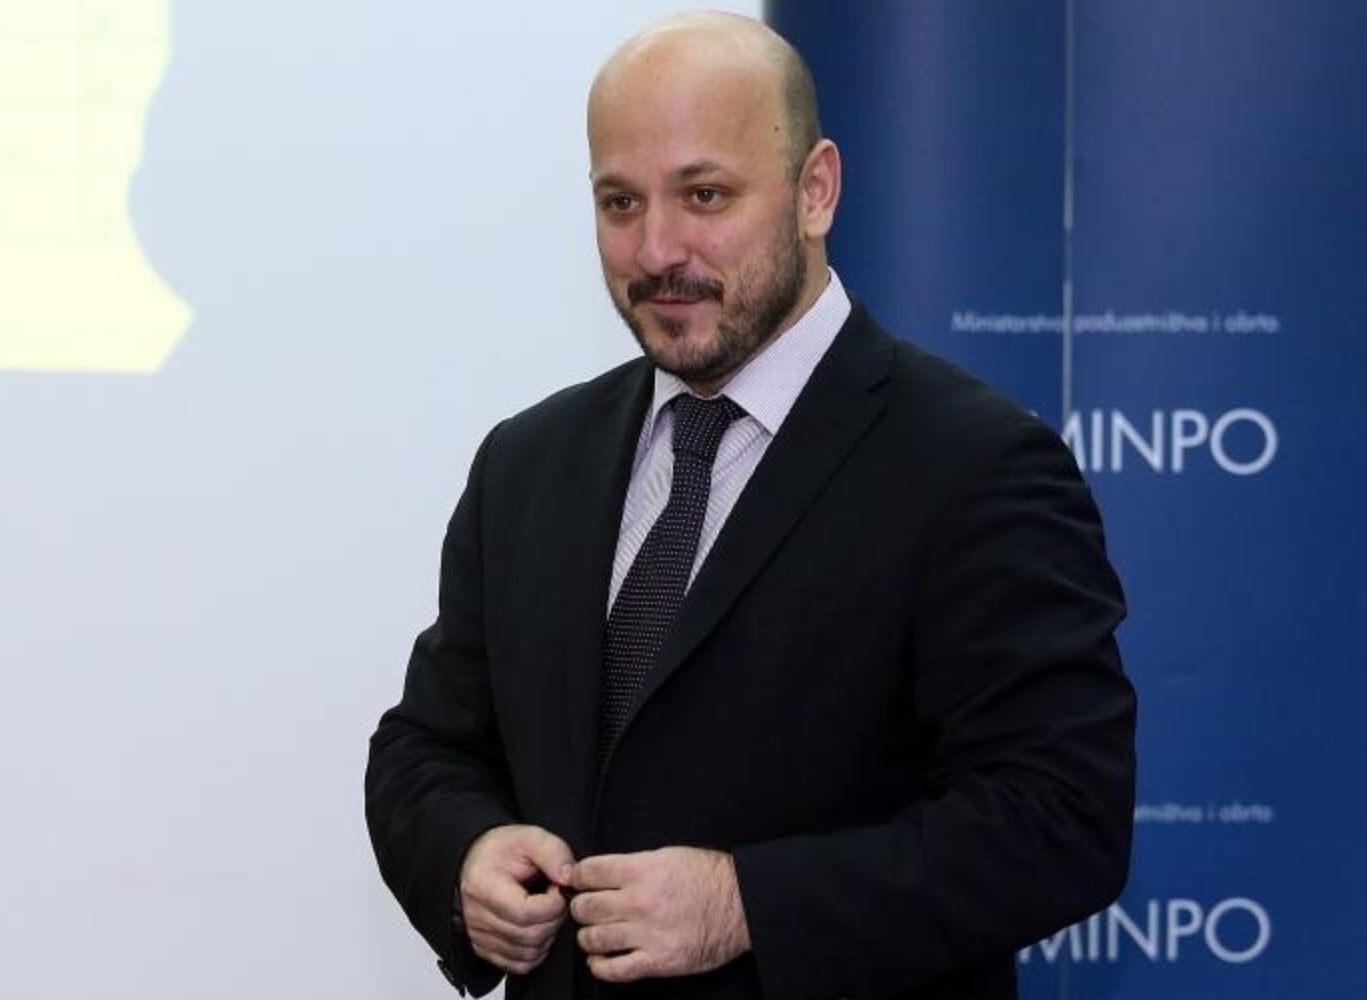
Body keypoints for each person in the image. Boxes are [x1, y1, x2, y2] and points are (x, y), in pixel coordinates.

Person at [365, 12, 1135, 999]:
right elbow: (427, 746)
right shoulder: (529, 461)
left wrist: (746, 904)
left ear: (815, 191)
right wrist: (468, 854)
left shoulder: (976, 466)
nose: (656, 249)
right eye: (619, 201)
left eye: (705, 194)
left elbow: (1062, 817)